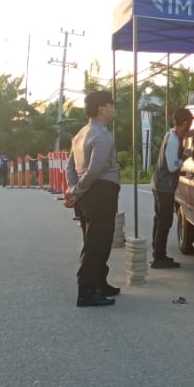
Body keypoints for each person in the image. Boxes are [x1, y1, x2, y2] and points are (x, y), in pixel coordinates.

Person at [64, 90, 121, 307]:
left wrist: (73, 189)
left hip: (87, 193)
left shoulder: (81, 133)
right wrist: (76, 191)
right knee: (98, 242)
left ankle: (99, 281)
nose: (113, 108)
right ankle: (86, 290)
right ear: (101, 108)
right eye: (110, 105)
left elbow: (71, 166)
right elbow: (95, 169)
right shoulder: (102, 135)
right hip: (101, 191)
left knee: (94, 239)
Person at [149, 108, 193, 269]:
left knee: (159, 218)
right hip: (164, 186)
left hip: (160, 183)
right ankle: (159, 257)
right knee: (165, 221)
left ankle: (157, 251)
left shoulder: (171, 135)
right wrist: (185, 157)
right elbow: (172, 166)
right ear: (185, 123)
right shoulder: (174, 139)